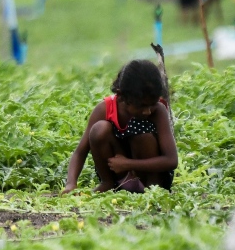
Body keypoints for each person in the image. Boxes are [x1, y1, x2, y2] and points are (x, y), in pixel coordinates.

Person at [56, 59, 177, 195]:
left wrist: (128, 164)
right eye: (142, 105)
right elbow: (80, 151)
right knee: (99, 129)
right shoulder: (105, 109)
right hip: (120, 175)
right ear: (121, 96)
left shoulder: (158, 110)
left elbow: (171, 160)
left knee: (144, 137)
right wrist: (71, 183)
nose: (148, 111)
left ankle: (150, 191)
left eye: (152, 104)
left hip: (152, 179)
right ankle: (108, 184)